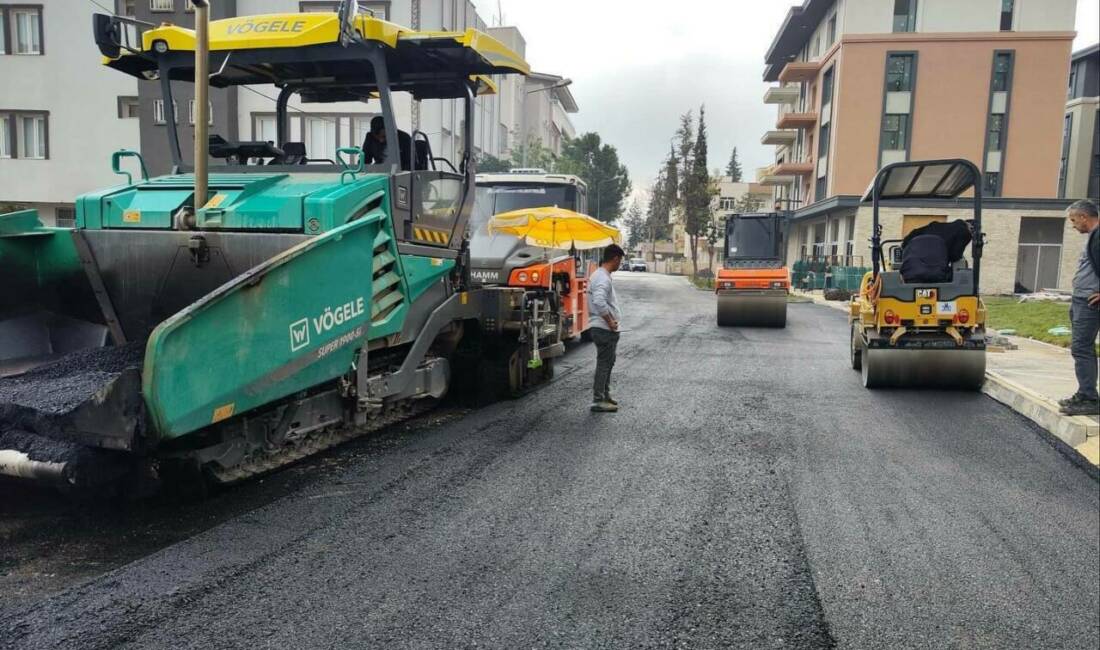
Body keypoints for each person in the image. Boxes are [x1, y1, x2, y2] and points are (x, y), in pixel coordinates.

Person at [1060, 199, 1100, 416]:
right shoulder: (1094, 237)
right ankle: (1084, 393)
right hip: (1081, 299)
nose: (1073, 226)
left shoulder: (1098, 236)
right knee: (1082, 348)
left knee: (1082, 348)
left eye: (1074, 220)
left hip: (1089, 302)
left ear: (1084, 217)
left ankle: (1089, 398)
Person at [587, 244, 625, 413]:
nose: (620, 264)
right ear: (615, 258)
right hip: (603, 329)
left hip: (604, 329)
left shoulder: (600, 275)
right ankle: (598, 400)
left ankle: (605, 395)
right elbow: (599, 301)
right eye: (620, 260)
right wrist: (610, 321)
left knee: (608, 362)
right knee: (604, 363)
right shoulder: (602, 277)